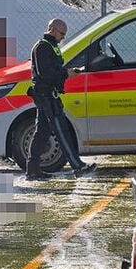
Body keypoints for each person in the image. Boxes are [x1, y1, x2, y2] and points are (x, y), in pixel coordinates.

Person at [25, 18, 97, 180]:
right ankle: (77, 166)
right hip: (46, 96)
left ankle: (33, 170)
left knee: (42, 132)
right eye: (61, 34)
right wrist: (65, 74)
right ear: (52, 29)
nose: (63, 37)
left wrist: (68, 72)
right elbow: (45, 73)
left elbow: (53, 69)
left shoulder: (50, 47)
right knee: (61, 130)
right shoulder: (43, 47)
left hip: (48, 94)